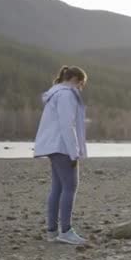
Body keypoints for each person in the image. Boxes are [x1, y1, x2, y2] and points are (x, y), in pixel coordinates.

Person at [33, 66, 88, 245]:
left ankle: (52, 231)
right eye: (82, 84)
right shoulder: (66, 95)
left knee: (58, 187)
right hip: (62, 146)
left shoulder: (54, 94)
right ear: (75, 80)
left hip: (52, 145)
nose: (81, 88)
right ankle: (66, 231)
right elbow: (67, 125)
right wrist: (74, 153)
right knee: (70, 186)